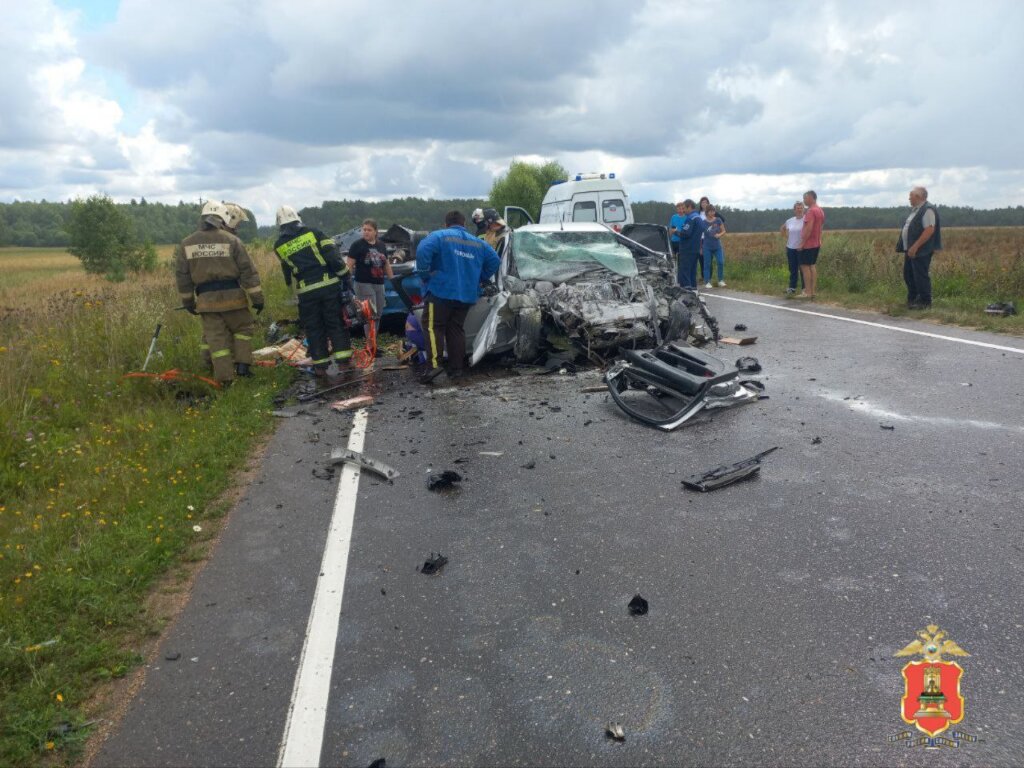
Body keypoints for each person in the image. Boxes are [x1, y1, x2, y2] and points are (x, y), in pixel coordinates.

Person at [175, 201, 264, 385]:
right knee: (242, 330)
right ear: (223, 218)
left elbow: (183, 278)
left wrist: (188, 303)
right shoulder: (232, 240)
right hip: (234, 299)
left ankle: (224, 381)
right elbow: (247, 271)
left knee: (216, 341)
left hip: (207, 303)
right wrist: (257, 298)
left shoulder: (186, 243)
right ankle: (243, 367)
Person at [415, 210, 500, 384]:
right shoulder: (478, 243)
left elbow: (423, 250)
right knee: (456, 329)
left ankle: (433, 367)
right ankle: (457, 369)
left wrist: (425, 275)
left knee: (433, 327)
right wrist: (480, 278)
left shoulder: (438, 236)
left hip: (440, 291)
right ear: (464, 225)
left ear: (446, 224)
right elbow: (495, 261)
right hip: (466, 295)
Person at [273, 205, 353, 377]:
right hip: (328, 286)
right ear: (297, 218)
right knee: (335, 323)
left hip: (306, 292)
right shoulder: (314, 233)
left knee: (314, 328)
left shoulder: (279, 245)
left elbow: (287, 270)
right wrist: (345, 274)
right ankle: (344, 364)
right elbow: (332, 256)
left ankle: (320, 367)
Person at [897, 186, 942, 309]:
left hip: (921, 250)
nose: (909, 198)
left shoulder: (928, 210)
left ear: (918, 197)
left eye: (910, 195)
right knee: (909, 275)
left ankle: (925, 302)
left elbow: (929, 230)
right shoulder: (916, 210)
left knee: (920, 275)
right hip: (911, 249)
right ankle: (913, 299)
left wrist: (915, 246)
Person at [347, 218, 393, 326]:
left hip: (379, 283)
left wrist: (393, 280)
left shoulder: (381, 245)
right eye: (364, 229)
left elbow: (386, 264)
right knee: (370, 316)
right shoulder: (357, 245)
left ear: (375, 231)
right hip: (363, 284)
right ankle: (371, 342)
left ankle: (373, 340)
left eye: (369, 230)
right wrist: (347, 284)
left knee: (378, 315)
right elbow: (349, 265)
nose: (366, 232)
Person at [797, 190, 825, 298]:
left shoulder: (811, 211)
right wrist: (819, 239)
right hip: (816, 243)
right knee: (812, 266)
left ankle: (807, 292)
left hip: (808, 244)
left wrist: (802, 243)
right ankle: (813, 292)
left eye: (805, 198)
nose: (804, 200)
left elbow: (809, 228)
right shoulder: (820, 210)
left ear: (811, 198)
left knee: (805, 267)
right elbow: (820, 227)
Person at [675, 199, 705, 288]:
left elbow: (685, 233)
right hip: (695, 248)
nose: (683, 210)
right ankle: (694, 289)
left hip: (687, 249)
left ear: (689, 207)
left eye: (684, 208)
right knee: (692, 271)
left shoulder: (690, 218)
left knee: (685, 272)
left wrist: (676, 232)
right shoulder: (698, 217)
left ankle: (687, 292)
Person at [780, 201, 806, 295]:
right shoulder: (790, 220)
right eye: (797, 208)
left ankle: (805, 289)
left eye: (801, 208)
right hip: (790, 248)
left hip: (802, 248)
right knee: (792, 268)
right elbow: (782, 229)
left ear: (804, 209)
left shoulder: (806, 219)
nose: (799, 210)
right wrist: (787, 239)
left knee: (803, 269)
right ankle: (792, 288)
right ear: (794, 210)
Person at [702, 204, 727, 288]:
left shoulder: (718, 220)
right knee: (707, 264)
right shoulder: (703, 222)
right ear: (707, 212)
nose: (712, 213)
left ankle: (720, 280)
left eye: (713, 211)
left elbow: (724, 231)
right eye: (710, 211)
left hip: (717, 246)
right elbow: (700, 235)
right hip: (707, 246)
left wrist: (719, 235)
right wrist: (700, 247)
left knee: (720, 262)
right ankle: (707, 281)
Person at [668, 202, 686, 272]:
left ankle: (680, 277)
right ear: (677, 209)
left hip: (682, 241)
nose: (680, 210)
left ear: (684, 209)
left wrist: (677, 231)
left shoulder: (686, 217)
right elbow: (670, 229)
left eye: (682, 208)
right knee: (672, 259)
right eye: (679, 209)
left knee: (681, 260)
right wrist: (669, 238)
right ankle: (673, 274)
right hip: (673, 241)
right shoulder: (673, 217)